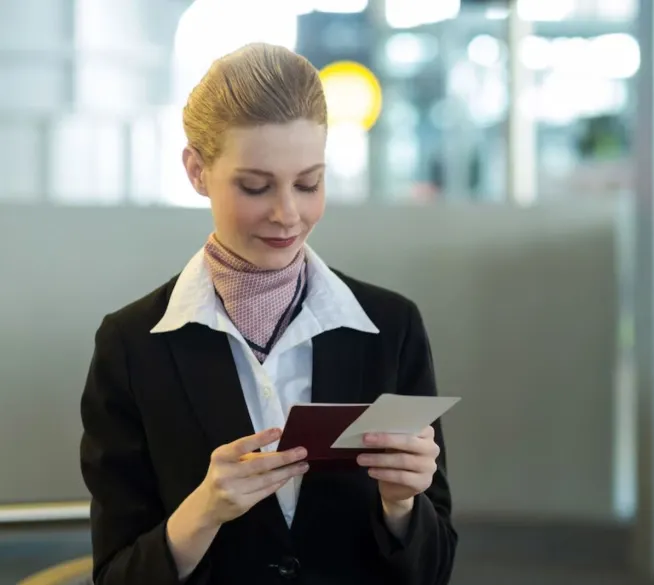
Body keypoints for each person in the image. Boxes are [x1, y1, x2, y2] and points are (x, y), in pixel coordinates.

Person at [79, 43, 456, 585]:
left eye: (309, 184)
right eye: (255, 186)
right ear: (197, 170)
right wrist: (203, 511)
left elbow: (435, 569)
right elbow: (117, 576)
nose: (288, 214)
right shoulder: (132, 346)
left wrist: (402, 505)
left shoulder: (390, 328)